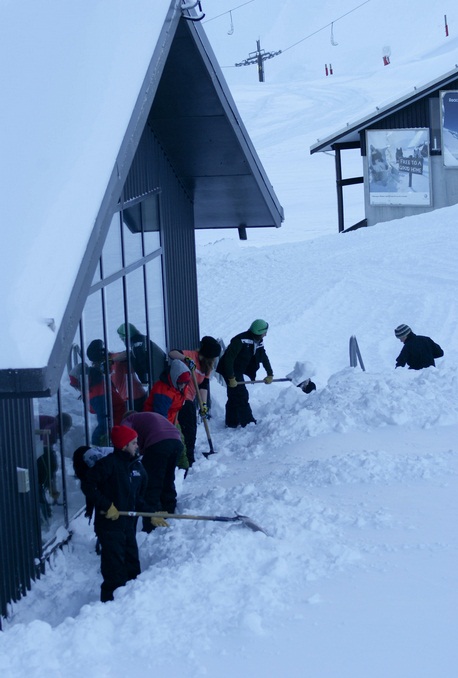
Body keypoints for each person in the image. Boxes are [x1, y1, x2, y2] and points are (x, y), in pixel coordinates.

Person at [81, 424, 168, 602]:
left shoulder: (138, 469)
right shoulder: (108, 465)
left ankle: (130, 605)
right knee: (114, 572)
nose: (138, 445)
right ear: (123, 445)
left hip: (128, 526)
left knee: (132, 567)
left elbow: (139, 499)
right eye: (134, 442)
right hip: (109, 526)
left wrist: (151, 514)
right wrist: (106, 505)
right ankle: (108, 608)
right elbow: (88, 485)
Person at [122, 411, 184, 532]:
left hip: (159, 444)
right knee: (167, 479)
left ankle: (152, 525)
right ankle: (169, 512)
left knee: (151, 485)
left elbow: (125, 439)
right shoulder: (147, 418)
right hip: (176, 442)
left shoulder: (129, 420)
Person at [168, 335, 221, 466]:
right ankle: (186, 457)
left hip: (190, 398)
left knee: (191, 429)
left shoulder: (208, 367)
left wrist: (203, 405)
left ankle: (188, 455)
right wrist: (185, 359)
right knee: (186, 428)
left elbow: (203, 386)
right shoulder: (191, 355)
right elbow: (172, 353)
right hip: (178, 396)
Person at [216, 319, 274, 428]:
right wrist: (231, 377)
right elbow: (228, 359)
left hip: (238, 369)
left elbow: (263, 356)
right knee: (241, 395)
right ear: (258, 332)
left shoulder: (258, 341)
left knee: (234, 395)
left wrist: (270, 373)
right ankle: (248, 422)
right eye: (264, 332)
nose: (265, 334)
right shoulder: (240, 341)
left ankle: (231, 422)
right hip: (229, 368)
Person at [86, 339, 126, 445]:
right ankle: (97, 444)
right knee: (104, 423)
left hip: (116, 421)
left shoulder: (99, 379)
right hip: (114, 424)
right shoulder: (98, 382)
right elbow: (104, 419)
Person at [143, 359, 191, 424]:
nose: (183, 385)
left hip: (172, 419)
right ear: (175, 378)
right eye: (180, 383)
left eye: (185, 382)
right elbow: (160, 418)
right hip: (155, 423)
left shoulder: (181, 387)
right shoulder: (163, 393)